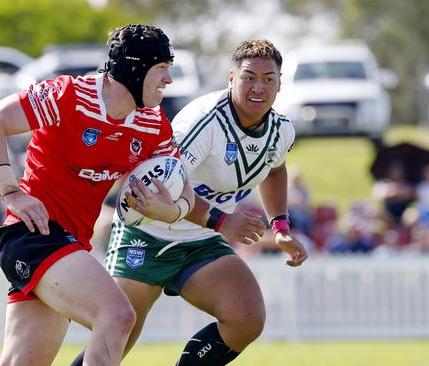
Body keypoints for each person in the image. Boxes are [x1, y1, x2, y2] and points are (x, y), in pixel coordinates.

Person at [0, 24, 195, 366]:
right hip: (32, 234)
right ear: (135, 68)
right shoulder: (70, 95)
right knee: (118, 315)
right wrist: (11, 191)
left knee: (22, 361)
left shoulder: (152, 123)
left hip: (70, 246)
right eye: (162, 68)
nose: (169, 80)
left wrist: (171, 211)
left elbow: (184, 190)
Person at [74, 39, 308, 366]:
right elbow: (163, 189)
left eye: (269, 79)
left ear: (280, 83)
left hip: (200, 240)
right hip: (148, 233)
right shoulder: (203, 123)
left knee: (246, 318)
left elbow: (275, 169)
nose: (259, 87)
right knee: (116, 339)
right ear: (231, 78)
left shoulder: (281, 130)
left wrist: (280, 227)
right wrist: (224, 222)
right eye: (249, 77)